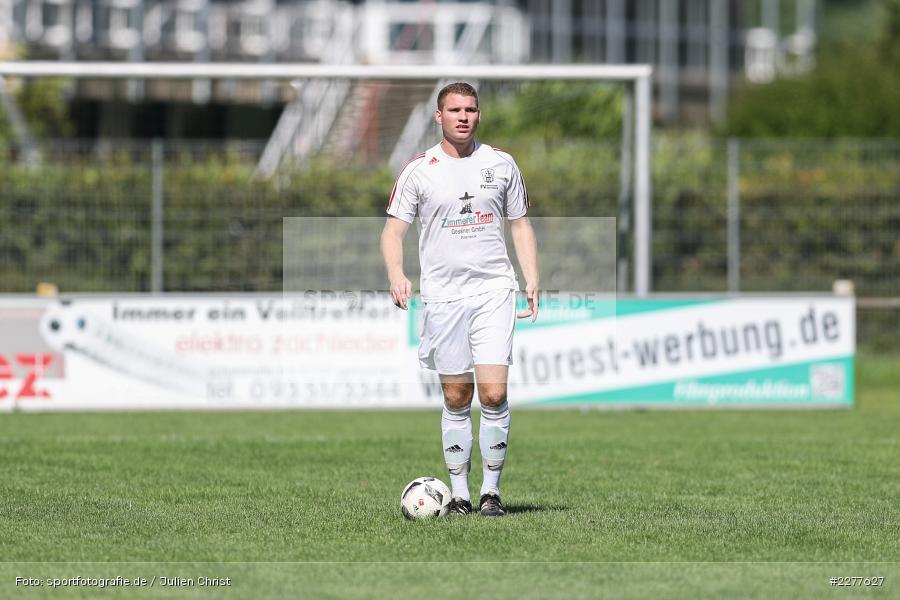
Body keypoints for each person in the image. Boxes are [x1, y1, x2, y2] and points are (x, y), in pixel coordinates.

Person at [380, 82, 539, 517]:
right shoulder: (419, 170)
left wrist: (531, 277)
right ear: (439, 116)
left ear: (479, 115)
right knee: (455, 396)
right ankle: (460, 496)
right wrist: (397, 273)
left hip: (493, 289)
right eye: (454, 110)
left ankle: (490, 492)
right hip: (443, 297)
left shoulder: (501, 164)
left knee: (491, 392)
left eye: (470, 109)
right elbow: (393, 231)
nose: (463, 117)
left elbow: (520, 225)